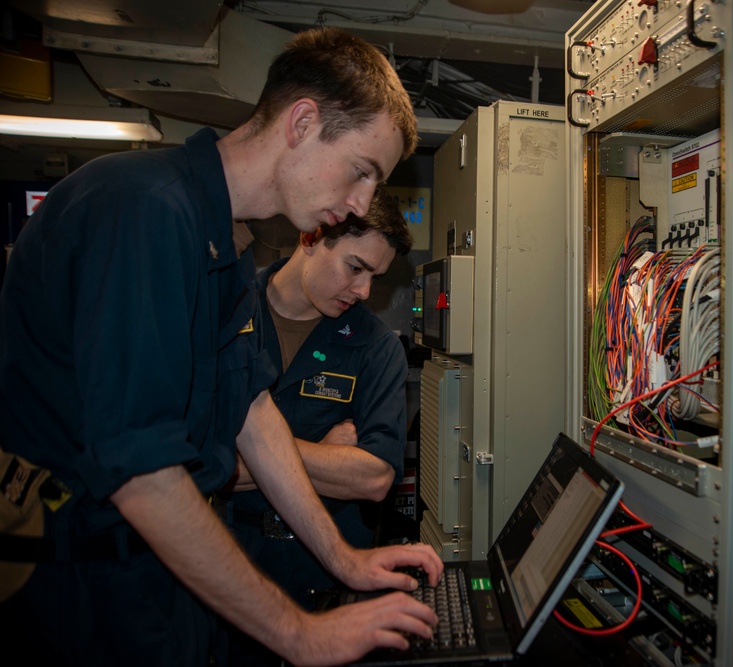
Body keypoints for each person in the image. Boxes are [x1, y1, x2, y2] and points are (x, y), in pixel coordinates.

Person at [0, 27, 443, 666]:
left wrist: (347, 561)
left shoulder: (221, 240)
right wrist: (301, 633)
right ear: (302, 121)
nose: (359, 204)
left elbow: (251, 413)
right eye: (362, 172)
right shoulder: (146, 209)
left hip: (165, 584)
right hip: (88, 592)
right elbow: (143, 473)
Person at [220, 189, 416, 665]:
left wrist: (255, 454)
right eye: (355, 267)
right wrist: (323, 452)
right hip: (230, 565)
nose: (365, 291)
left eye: (375, 276)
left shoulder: (376, 348)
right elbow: (194, 462)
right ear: (311, 237)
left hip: (324, 577)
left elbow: (373, 479)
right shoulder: (227, 316)